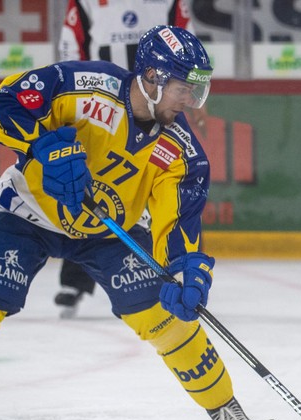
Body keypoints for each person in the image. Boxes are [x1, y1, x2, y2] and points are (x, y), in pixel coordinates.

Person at [0, 25, 254, 420]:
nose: (190, 102)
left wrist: (188, 270)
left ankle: (225, 409)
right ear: (152, 78)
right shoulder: (81, 86)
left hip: (106, 232)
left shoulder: (182, 153)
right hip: (25, 213)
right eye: (183, 89)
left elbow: (174, 225)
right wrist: (44, 145)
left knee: (168, 321)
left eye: (197, 90)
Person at [55, 0, 206, 318]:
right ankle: (74, 280)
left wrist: (190, 91)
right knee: (91, 185)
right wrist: (74, 94)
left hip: (158, 99)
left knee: (167, 181)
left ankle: (173, 277)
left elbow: (186, 36)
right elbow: (71, 44)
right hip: (103, 102)